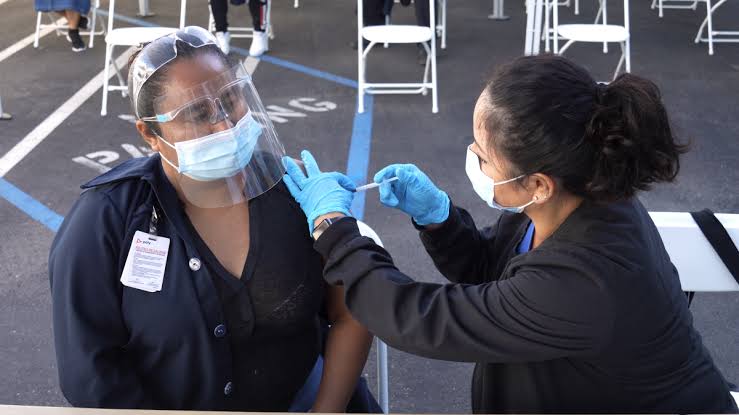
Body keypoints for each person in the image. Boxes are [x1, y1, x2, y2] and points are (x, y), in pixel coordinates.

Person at [282, 54, 739, 413]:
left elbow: (424, 320)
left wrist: (334, 231)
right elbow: (492, 272)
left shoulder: (587, 281)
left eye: (482, 157)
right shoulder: (570, 198)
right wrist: (439, 218)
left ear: (539, 184)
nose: (474, 161)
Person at [49, 26, 380, 412]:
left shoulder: (294, 190)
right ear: (150, 135)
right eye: (197, 113)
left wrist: (326, 409)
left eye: (231, 99)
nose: (224, 124)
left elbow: (351, 311)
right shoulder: (106, 219)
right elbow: (90, 371)